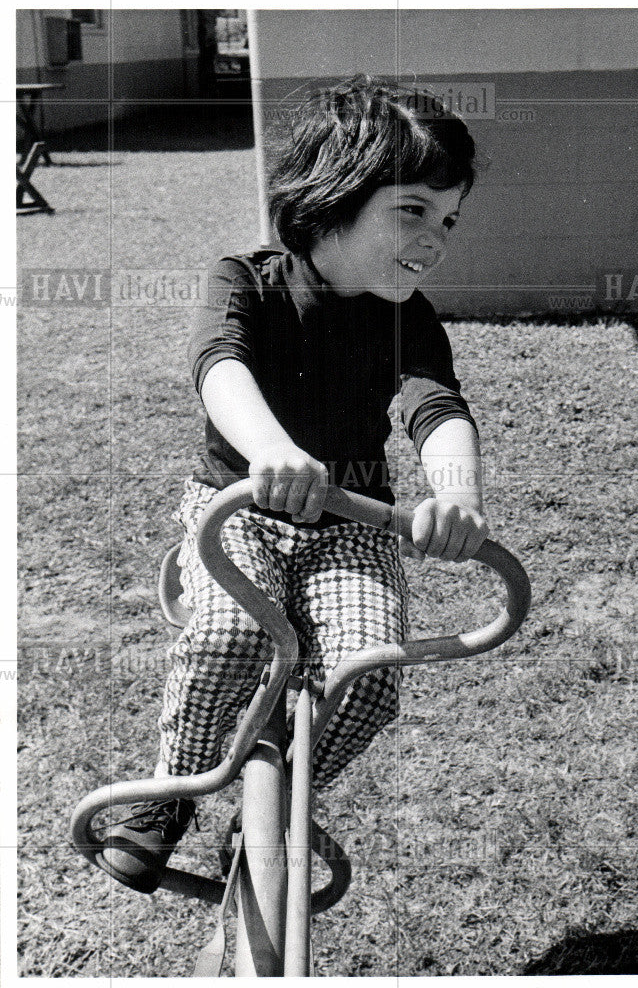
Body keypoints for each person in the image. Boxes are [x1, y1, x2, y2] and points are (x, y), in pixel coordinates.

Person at [100, 75, 488, 893]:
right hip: (237, 507)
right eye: (411, 209)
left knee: (370, 675)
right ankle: (174, 792)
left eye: (447, 219)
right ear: (332, 195)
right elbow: (220, 366)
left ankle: (277, 806)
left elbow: (435, 407)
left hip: (347, 524)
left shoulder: (406, 316)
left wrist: (454, 493)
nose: (435, 239)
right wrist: (271, 449)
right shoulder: (245, 279)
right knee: (230, 640)